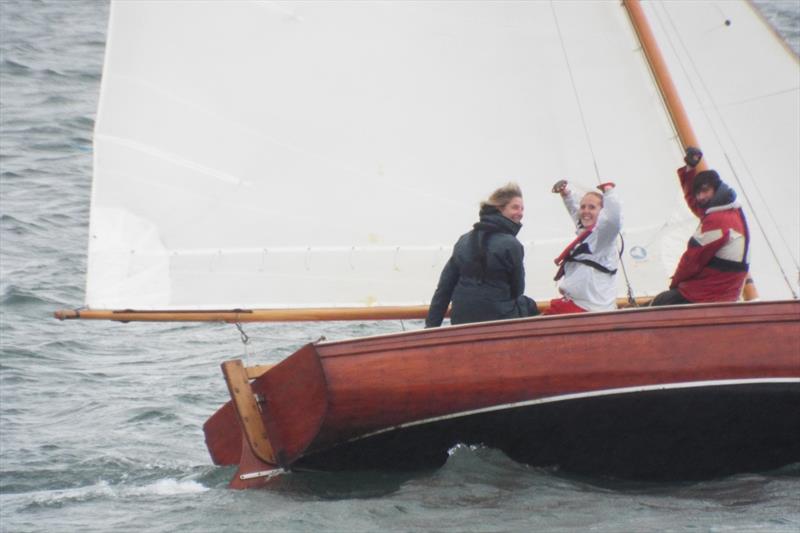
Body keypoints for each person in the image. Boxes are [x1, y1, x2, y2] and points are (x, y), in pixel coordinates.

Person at [425, 182, 538, 327]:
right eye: (515, 207)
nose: (520, 213)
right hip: (498, 319)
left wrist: (430, 328)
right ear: (499, 209)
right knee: (528, 305)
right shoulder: (512, 245)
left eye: (522, 209)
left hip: (461, 319)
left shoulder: (463, 240)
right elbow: (518, 289)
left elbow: (444, 288)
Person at [651, 147, 750, 306]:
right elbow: (695, 201)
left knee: (659, 303)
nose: (700, 197)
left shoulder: (718, 221)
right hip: (727, 291)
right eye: (698, 193)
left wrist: (674, 285)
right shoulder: (731, 211)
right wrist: (690, 169)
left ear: (716, 190)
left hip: (710, 293)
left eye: (704, 191)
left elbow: (693, 260)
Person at [544, 180, 622, 314]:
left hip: (588, 310)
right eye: (583, 207)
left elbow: (613, 220)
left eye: (592, 207)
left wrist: (609, 192)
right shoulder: (586, 232)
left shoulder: (603, 239)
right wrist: (566, 194)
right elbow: (576, 212)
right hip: (574, 305)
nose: (586, 211)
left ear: (603, 212)